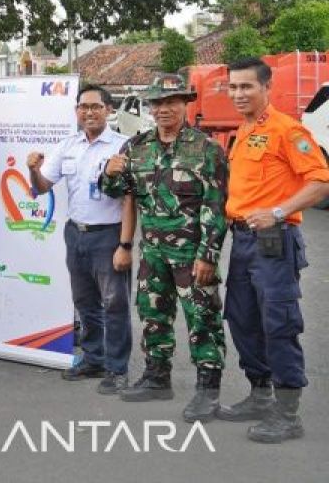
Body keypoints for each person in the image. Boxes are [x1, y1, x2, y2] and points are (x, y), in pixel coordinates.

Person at [99, 74, 228, 422]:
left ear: (185, 104)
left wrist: (208, 256)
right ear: (150, 108)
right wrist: (109, 173)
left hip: (192, 254)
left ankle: (208, 391)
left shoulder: (207, 150)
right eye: (157, 103)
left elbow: (216, 208)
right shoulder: (135, 147)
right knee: (153, 315)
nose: (164, 109)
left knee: (203, 320)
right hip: (152, 252)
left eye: (171, 101)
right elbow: (115, 192)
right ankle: (157, 378)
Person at [220, 57, 329, 443]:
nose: (238, 94)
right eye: (233, 87)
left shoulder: (288, 130)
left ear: (267, 88)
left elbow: (320, 181)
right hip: (243, 240)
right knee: (242, 317)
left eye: (247, 87)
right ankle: (259, 394)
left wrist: (279, 211)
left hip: (274, 242)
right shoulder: (243, 131)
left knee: (278, 323)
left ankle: (288, 413)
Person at [27, 84, 132, 394]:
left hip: (108, 235)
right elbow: (43, 186)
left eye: (96, 106)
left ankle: (117, 368)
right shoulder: (68, 145)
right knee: (85, 303)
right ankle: (93, 358)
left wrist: (125, 245)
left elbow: (129, 200)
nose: (89, 112)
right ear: (76, 111)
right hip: (76, 233)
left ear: (109, 109)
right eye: (83, 107)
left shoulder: (123, 146)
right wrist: (33, 169)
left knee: (115, 305)